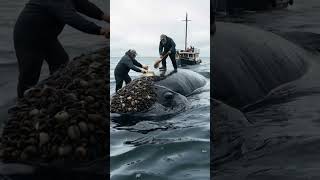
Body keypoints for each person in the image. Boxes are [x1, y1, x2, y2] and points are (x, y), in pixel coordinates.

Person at [14, 0, 110, 98]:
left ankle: (51, 92)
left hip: (47, 37)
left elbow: (84, 5)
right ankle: (21, 103)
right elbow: (71, 18)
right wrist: (100, 30)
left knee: (60, 62)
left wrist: (107, 18)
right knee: (29, 74)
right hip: (28, 38)